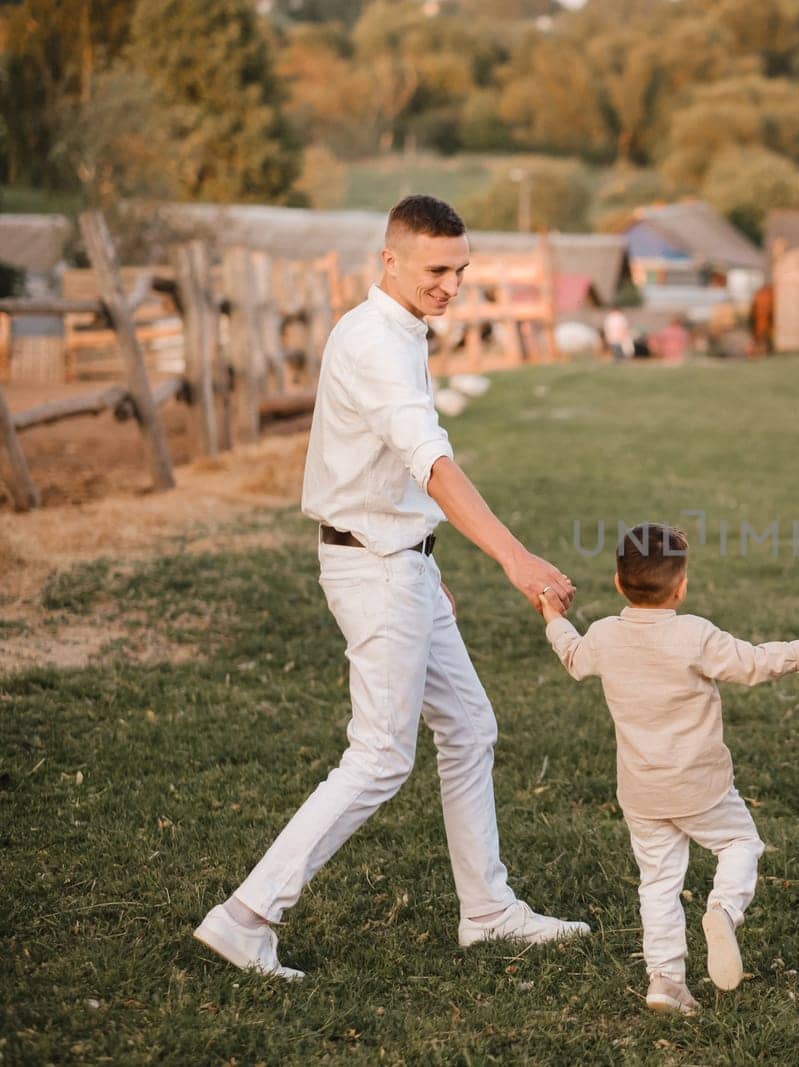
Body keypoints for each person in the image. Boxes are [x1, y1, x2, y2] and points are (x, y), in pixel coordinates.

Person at [194, 195, 587, 980]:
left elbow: (400, 474)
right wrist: (516, 559)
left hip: (400, 561)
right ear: (392, 261)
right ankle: (245, 915)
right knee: (378, 755)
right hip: (373, 568)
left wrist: (425, 564)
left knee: (470, 726)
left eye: (461, 269)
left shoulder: (400, 331)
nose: (451, 284)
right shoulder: (375, 340)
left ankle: (487, 910)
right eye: (438, 269)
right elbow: (431, 463)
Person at [537, 523, 799, 1014]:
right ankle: (723, 908)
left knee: (657, 883)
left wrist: (553, 615)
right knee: (740, 842)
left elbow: (573, 657)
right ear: (681, 587)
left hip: (641, 792)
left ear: (618, 583)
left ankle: (665, 980)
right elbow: (756, 663)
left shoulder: (604, 636)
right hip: (702, 789)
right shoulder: (694, 635)